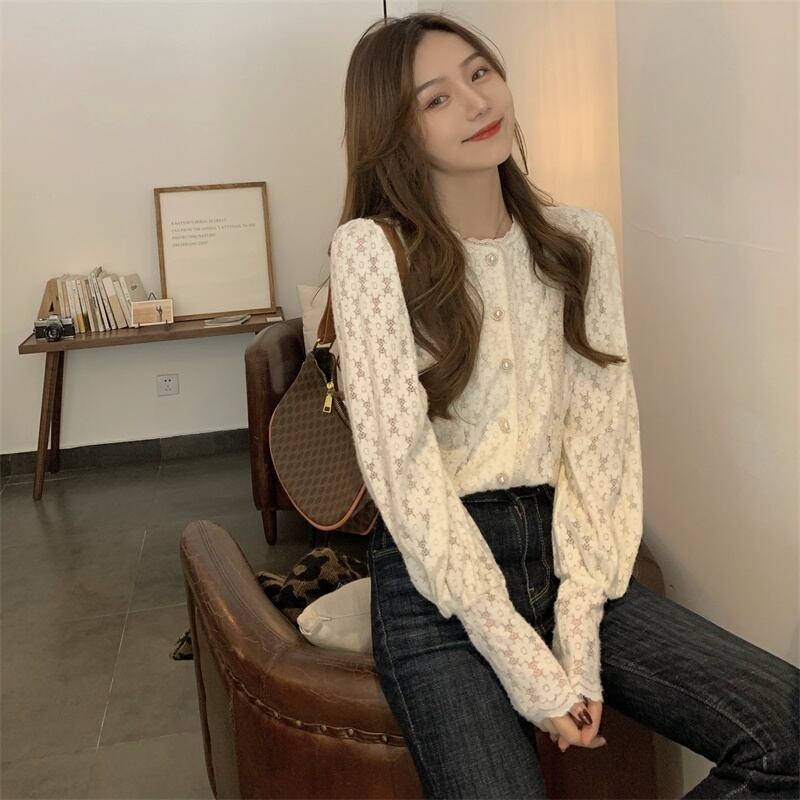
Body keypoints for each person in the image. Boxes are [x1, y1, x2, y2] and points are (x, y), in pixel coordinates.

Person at [325, 11, 800, 799]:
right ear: (397, 131)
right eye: (436, 98)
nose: (477, 102)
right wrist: (530, 670)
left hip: (569, 552)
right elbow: (405, 479)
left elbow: (599, 442)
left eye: (480, 73)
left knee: (785, 732)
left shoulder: (578, 240)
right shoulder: (374, 251)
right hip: (438, 589)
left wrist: (576, 645)